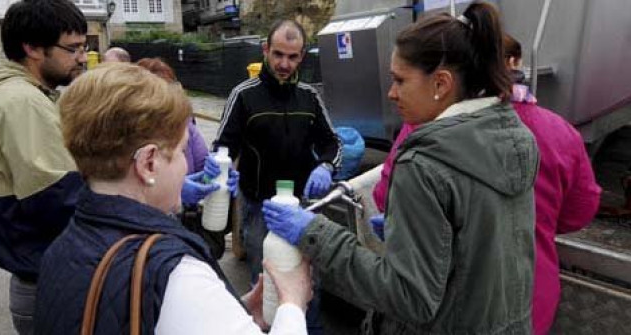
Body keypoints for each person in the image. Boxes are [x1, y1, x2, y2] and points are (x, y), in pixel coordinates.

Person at [263, 2, 540, 334]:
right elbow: (478, 254)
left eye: (399, 80)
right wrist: (415, 233)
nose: (392, 93)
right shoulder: (514, 139)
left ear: (441, 84)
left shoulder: (424, 164)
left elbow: (409, 298)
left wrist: (314, 233)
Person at [35, 62, 312, 334]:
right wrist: (293, 304)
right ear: (148, 164)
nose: (184, 164)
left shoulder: (62, 245)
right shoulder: (175, 272)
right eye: (180, 151)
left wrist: (231, 314)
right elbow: (173, 300)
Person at [0, 1, 88, 333]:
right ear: (32, 48)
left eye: (84, 46)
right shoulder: (22, 102)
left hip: (40, 272)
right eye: (73, 48)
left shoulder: (26, 95)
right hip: (50, 280)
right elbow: (58, 201)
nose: (82, 57)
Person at [213, 19, 341, 283]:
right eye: (278, 54)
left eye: (293, 57)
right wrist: (219, 170)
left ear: (302, 56)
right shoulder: (243, 95)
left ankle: (310, 325)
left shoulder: (310, 97)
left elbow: (332, 143)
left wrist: (326, 166)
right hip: (260, 206)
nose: (285, 64)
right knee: (265, 279)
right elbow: (223, 147)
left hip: (303, 205)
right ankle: (264, 324)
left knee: (306, 276)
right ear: (265, 50)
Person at [504, 34, 601, 335]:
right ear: (515, 64)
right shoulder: (560, 130)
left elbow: (387, 193)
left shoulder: (433, 128)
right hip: (532, 294)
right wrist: (539, 223)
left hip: (452, 297)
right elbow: (580, 210)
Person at [136, 57, 238, 258]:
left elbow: (204, 167)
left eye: (171, 90)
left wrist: (220, 178)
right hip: (147, 238)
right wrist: (176, 191)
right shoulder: (132, 138)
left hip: (185, 230)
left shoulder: (187, 129)